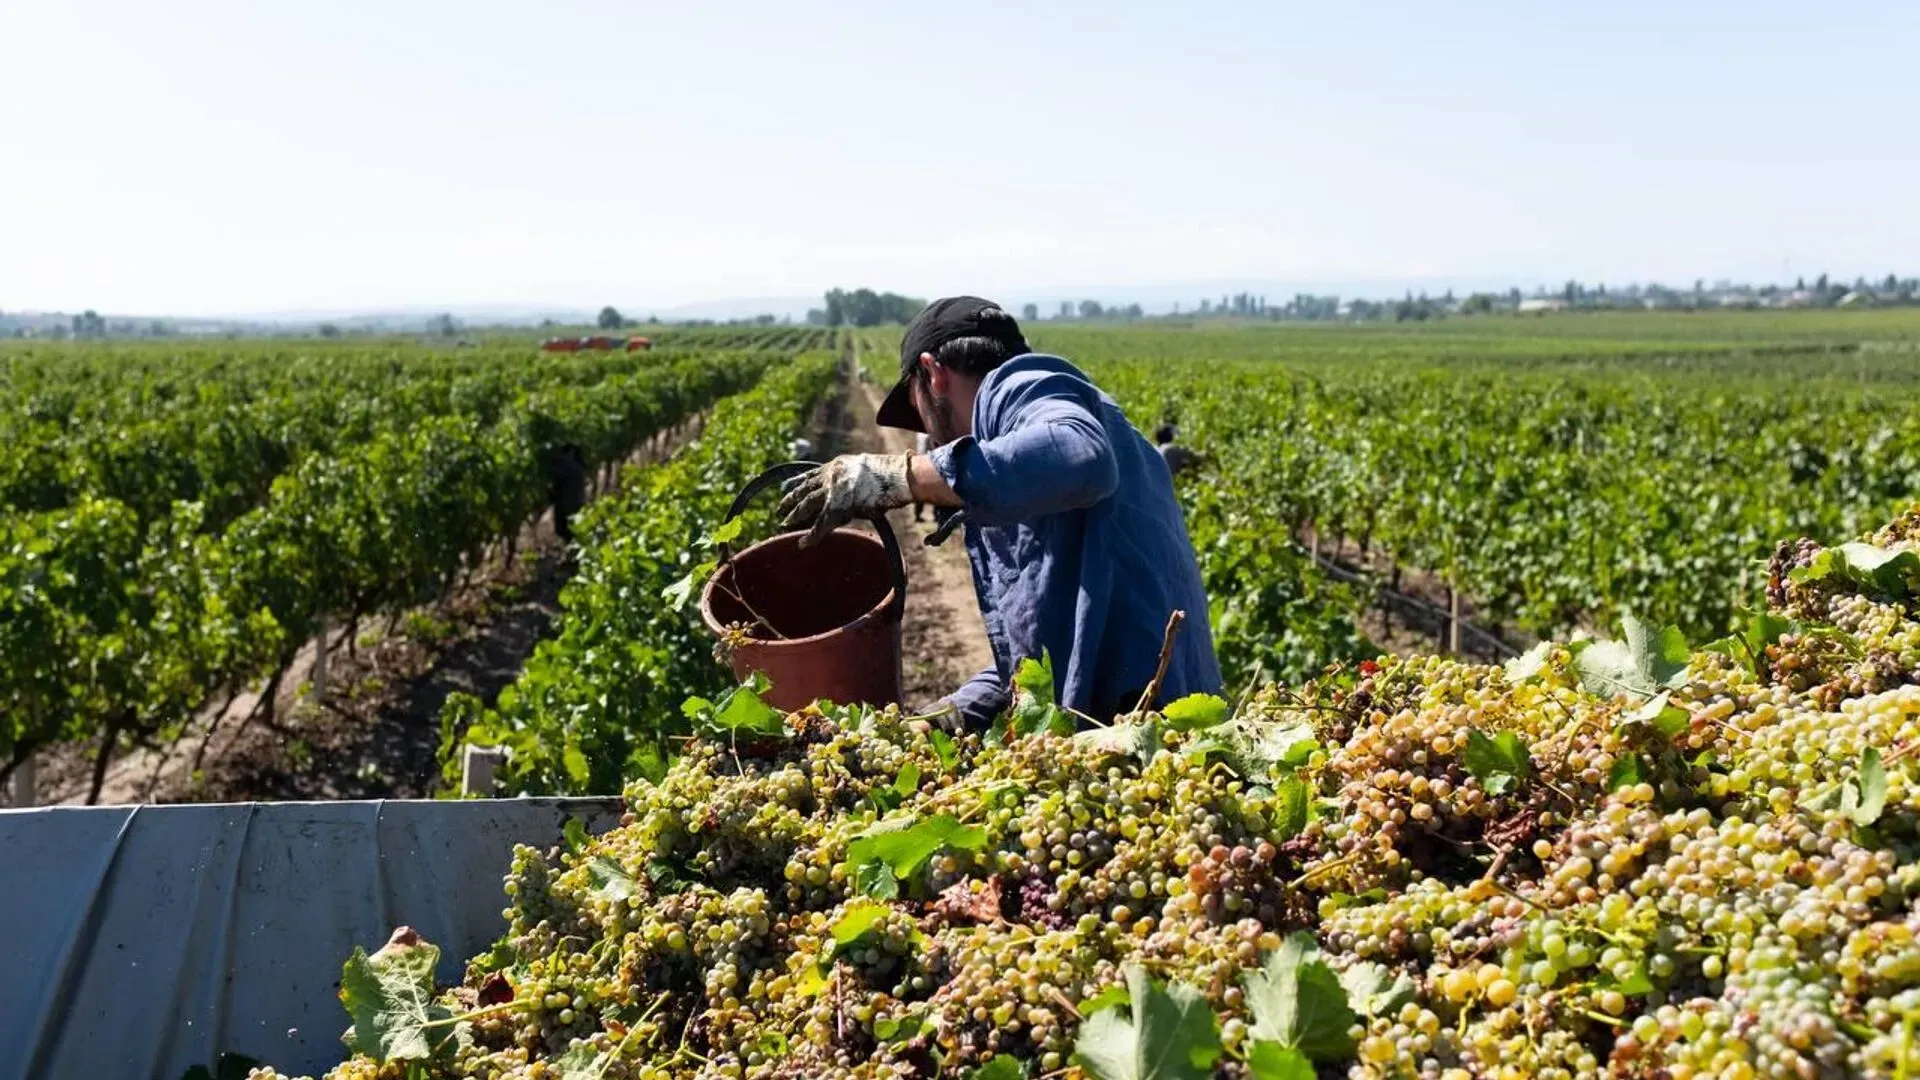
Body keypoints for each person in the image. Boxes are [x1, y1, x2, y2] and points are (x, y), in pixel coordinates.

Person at [777, 295, 1222, 729]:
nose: (930, 436)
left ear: (932, 374)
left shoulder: (1017, 385)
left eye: (917, 413)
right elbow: (1042, 661)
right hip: (1136, 724)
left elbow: (1081, 456)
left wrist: (900, 476)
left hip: (1145, 726)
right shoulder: (1022, 454)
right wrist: (944, 716)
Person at [912, 431, 931, 521]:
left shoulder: (920, 434)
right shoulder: (928, 435)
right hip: (928, 462)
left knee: (920, 490)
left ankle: (917, 515)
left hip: (920, 460)